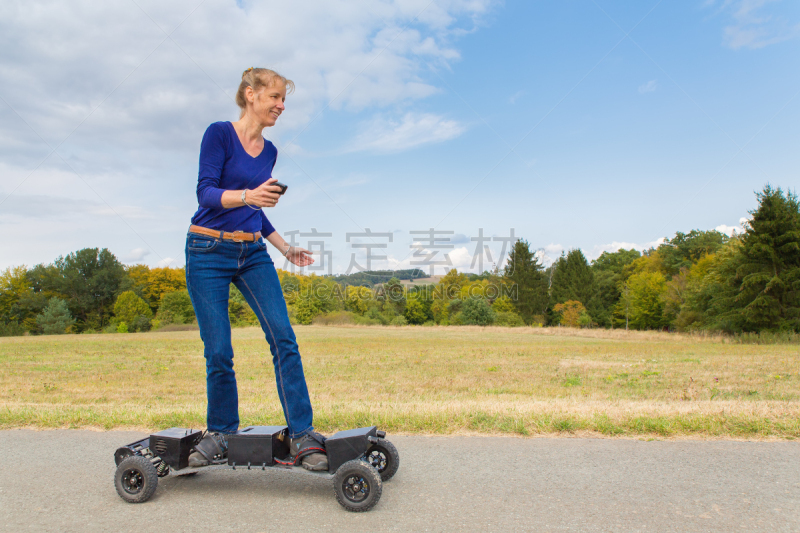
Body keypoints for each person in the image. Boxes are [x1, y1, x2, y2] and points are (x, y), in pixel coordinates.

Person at [185, 67, 327, 470]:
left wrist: (283, 247)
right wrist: (249, 194)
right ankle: (221, 432)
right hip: (207, 250)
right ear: (251, 94)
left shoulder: (270, 151)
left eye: (284, 100)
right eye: (275, 98)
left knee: (284, 337)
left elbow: (256, 209)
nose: (281, 106)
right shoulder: (219, 134)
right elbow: (207, 192)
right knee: (219, 350)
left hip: (252, 254)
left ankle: (302, 434)